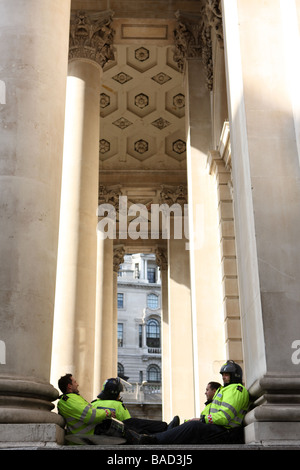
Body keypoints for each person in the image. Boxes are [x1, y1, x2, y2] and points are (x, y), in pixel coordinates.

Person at [137, 360, 249, 445]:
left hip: (226, 432)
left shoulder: (236, 389)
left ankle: (154, 440)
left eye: (227, 375)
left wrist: (202, 420)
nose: (223, 377)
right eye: (223, 375)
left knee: (193, 427)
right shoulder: (225, 389)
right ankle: (154, 436)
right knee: (189, 425)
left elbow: (225, 417)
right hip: (218, 429)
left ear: (235, 375)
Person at [91, 377, 180, 434]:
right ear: (115, 394)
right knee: (136, 424)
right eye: (119, 393)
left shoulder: (93, 404)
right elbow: (130, 425)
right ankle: (166, 428)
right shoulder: (117, 405)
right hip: (116, 436)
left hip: (98, 435)